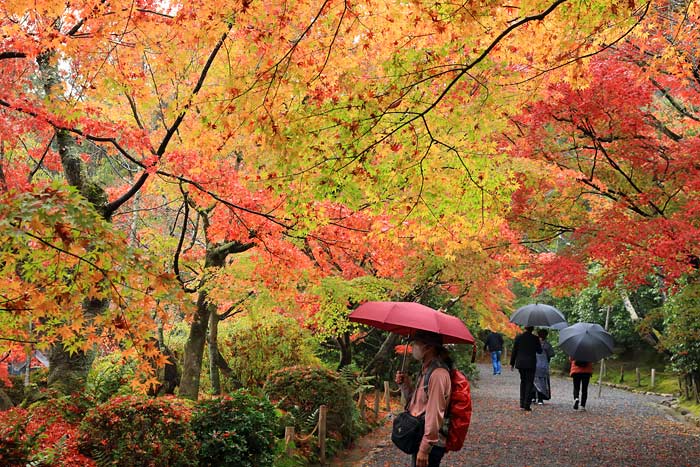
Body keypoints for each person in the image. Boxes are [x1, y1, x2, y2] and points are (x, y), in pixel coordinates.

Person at [395, 331, 452, 467]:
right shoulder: (426, 370)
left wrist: (425, 449)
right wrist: (404, 384)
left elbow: (434, 414)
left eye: (416, 343)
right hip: (420, 436)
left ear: (428, 347)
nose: (414, 347)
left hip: (430, 443)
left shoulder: (438, 374)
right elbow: (416, 404)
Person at [509, 326, 541, 411]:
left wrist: (512, 363)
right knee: (529, 383)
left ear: (525, 328)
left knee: (523, 381)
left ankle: (522, 403)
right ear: (532, 329)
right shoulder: (535, 338)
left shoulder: (519, 337)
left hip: (521, 363)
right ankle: (527, 404)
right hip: (530, 363)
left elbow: (514, 350)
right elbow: (539, 351)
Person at [533, 329, 555, 405]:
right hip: (543, 365)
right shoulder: (547, 345)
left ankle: (533, 397)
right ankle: (540, 399)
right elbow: (552, 354)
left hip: (534, 364)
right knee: (542, 382)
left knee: (533, 381)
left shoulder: (534, 344)